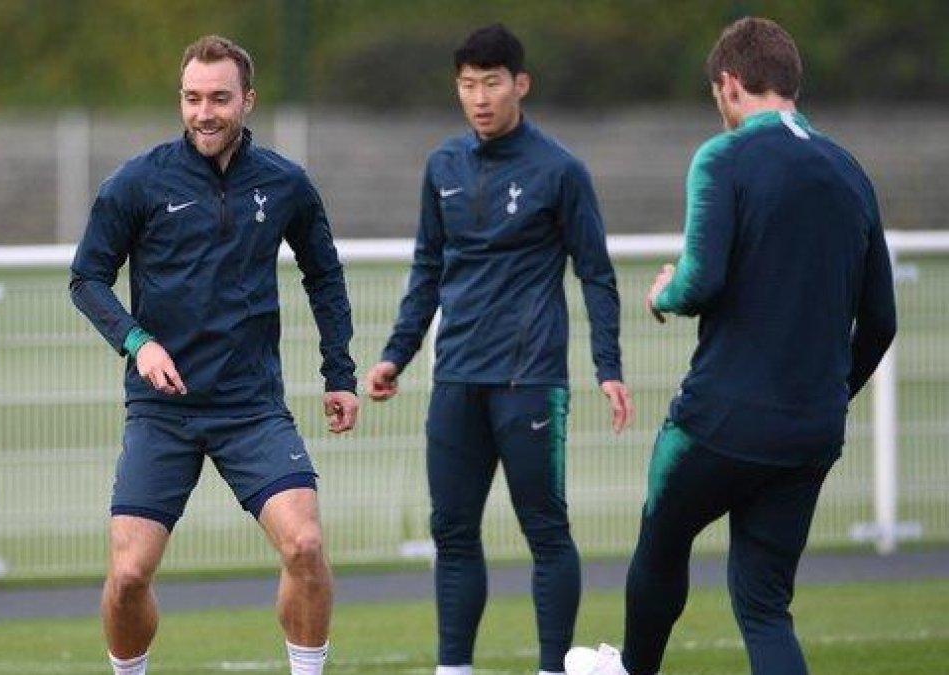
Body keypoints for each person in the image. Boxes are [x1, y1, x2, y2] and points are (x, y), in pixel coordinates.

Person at [563, 17, 898, 675]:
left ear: (729, 83)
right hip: (810, 430)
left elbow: (701, 279)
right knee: (766, 605)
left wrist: (662, 291)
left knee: (662, 542)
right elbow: (881, 321)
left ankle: (633, 668)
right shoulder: (850, 171)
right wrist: (827, 394)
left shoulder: (725, 156)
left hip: (721, 419)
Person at [69, 34, 358, 675]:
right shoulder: (137, 183)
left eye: (220, 98)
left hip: (250, 407)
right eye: (193, 98)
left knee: (306, 546)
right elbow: (86, 278)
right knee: (128, 574)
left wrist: (339, 373)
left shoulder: (284, 183)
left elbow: (324, 274)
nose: (205, 112)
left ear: (246, 100)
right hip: (162, 410)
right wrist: (137, 343)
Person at [366, 23, 632, 675]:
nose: (479, 97)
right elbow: (428, 267)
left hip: (530, 380)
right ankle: (453, 667)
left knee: (545, 531)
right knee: (452, 531)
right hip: (455, 377)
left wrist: (608, 366)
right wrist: (396, 354)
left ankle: (552, 667)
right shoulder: (443, 167)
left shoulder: (560, 170)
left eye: (491, 82)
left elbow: (596, 271)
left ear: (521, 84)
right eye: (467, 84)